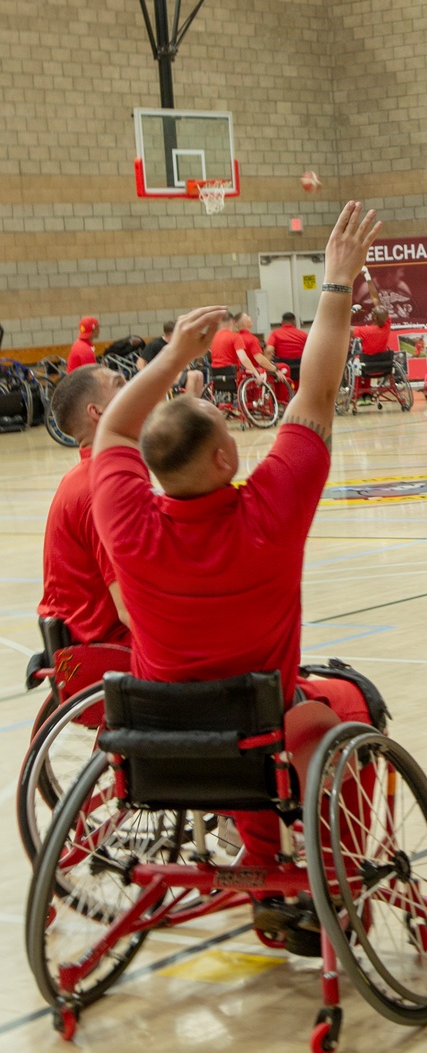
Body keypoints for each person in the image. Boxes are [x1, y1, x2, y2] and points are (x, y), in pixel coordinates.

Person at [91, 202, 382, 948]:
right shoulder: (269, 511)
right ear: (225, 460)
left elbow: (117, 427)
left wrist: (169, 356)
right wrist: (338, 281)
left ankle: (260, 861)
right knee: (349, 703)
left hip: (158, 732)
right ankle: (336, 875)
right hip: (256, 723)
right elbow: (314, 394)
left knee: (247, 719)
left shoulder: (126, 517)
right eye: (225, 428)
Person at [38, 366, 131, 646]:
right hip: (112, 649)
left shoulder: (100, 472)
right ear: (97, 412)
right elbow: (129, 610)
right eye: (120, 384)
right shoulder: (103, 487)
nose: (136, 387)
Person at [137, 320, 204, 399]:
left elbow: (184, 360)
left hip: (175, 373)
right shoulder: (155, 344)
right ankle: (187, 403)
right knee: (192, 376)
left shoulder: (177, 344)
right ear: (170, 334)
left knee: (199, 374)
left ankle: (196, 401)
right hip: (163, 375)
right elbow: (140, 362)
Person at [264, 312, 308, 383]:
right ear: (294, 322)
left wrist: (265, 365)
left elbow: (269, 350)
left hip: (283, 368)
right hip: (299, 368)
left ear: (281, 322)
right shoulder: (303, 334)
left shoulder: (275, 333)